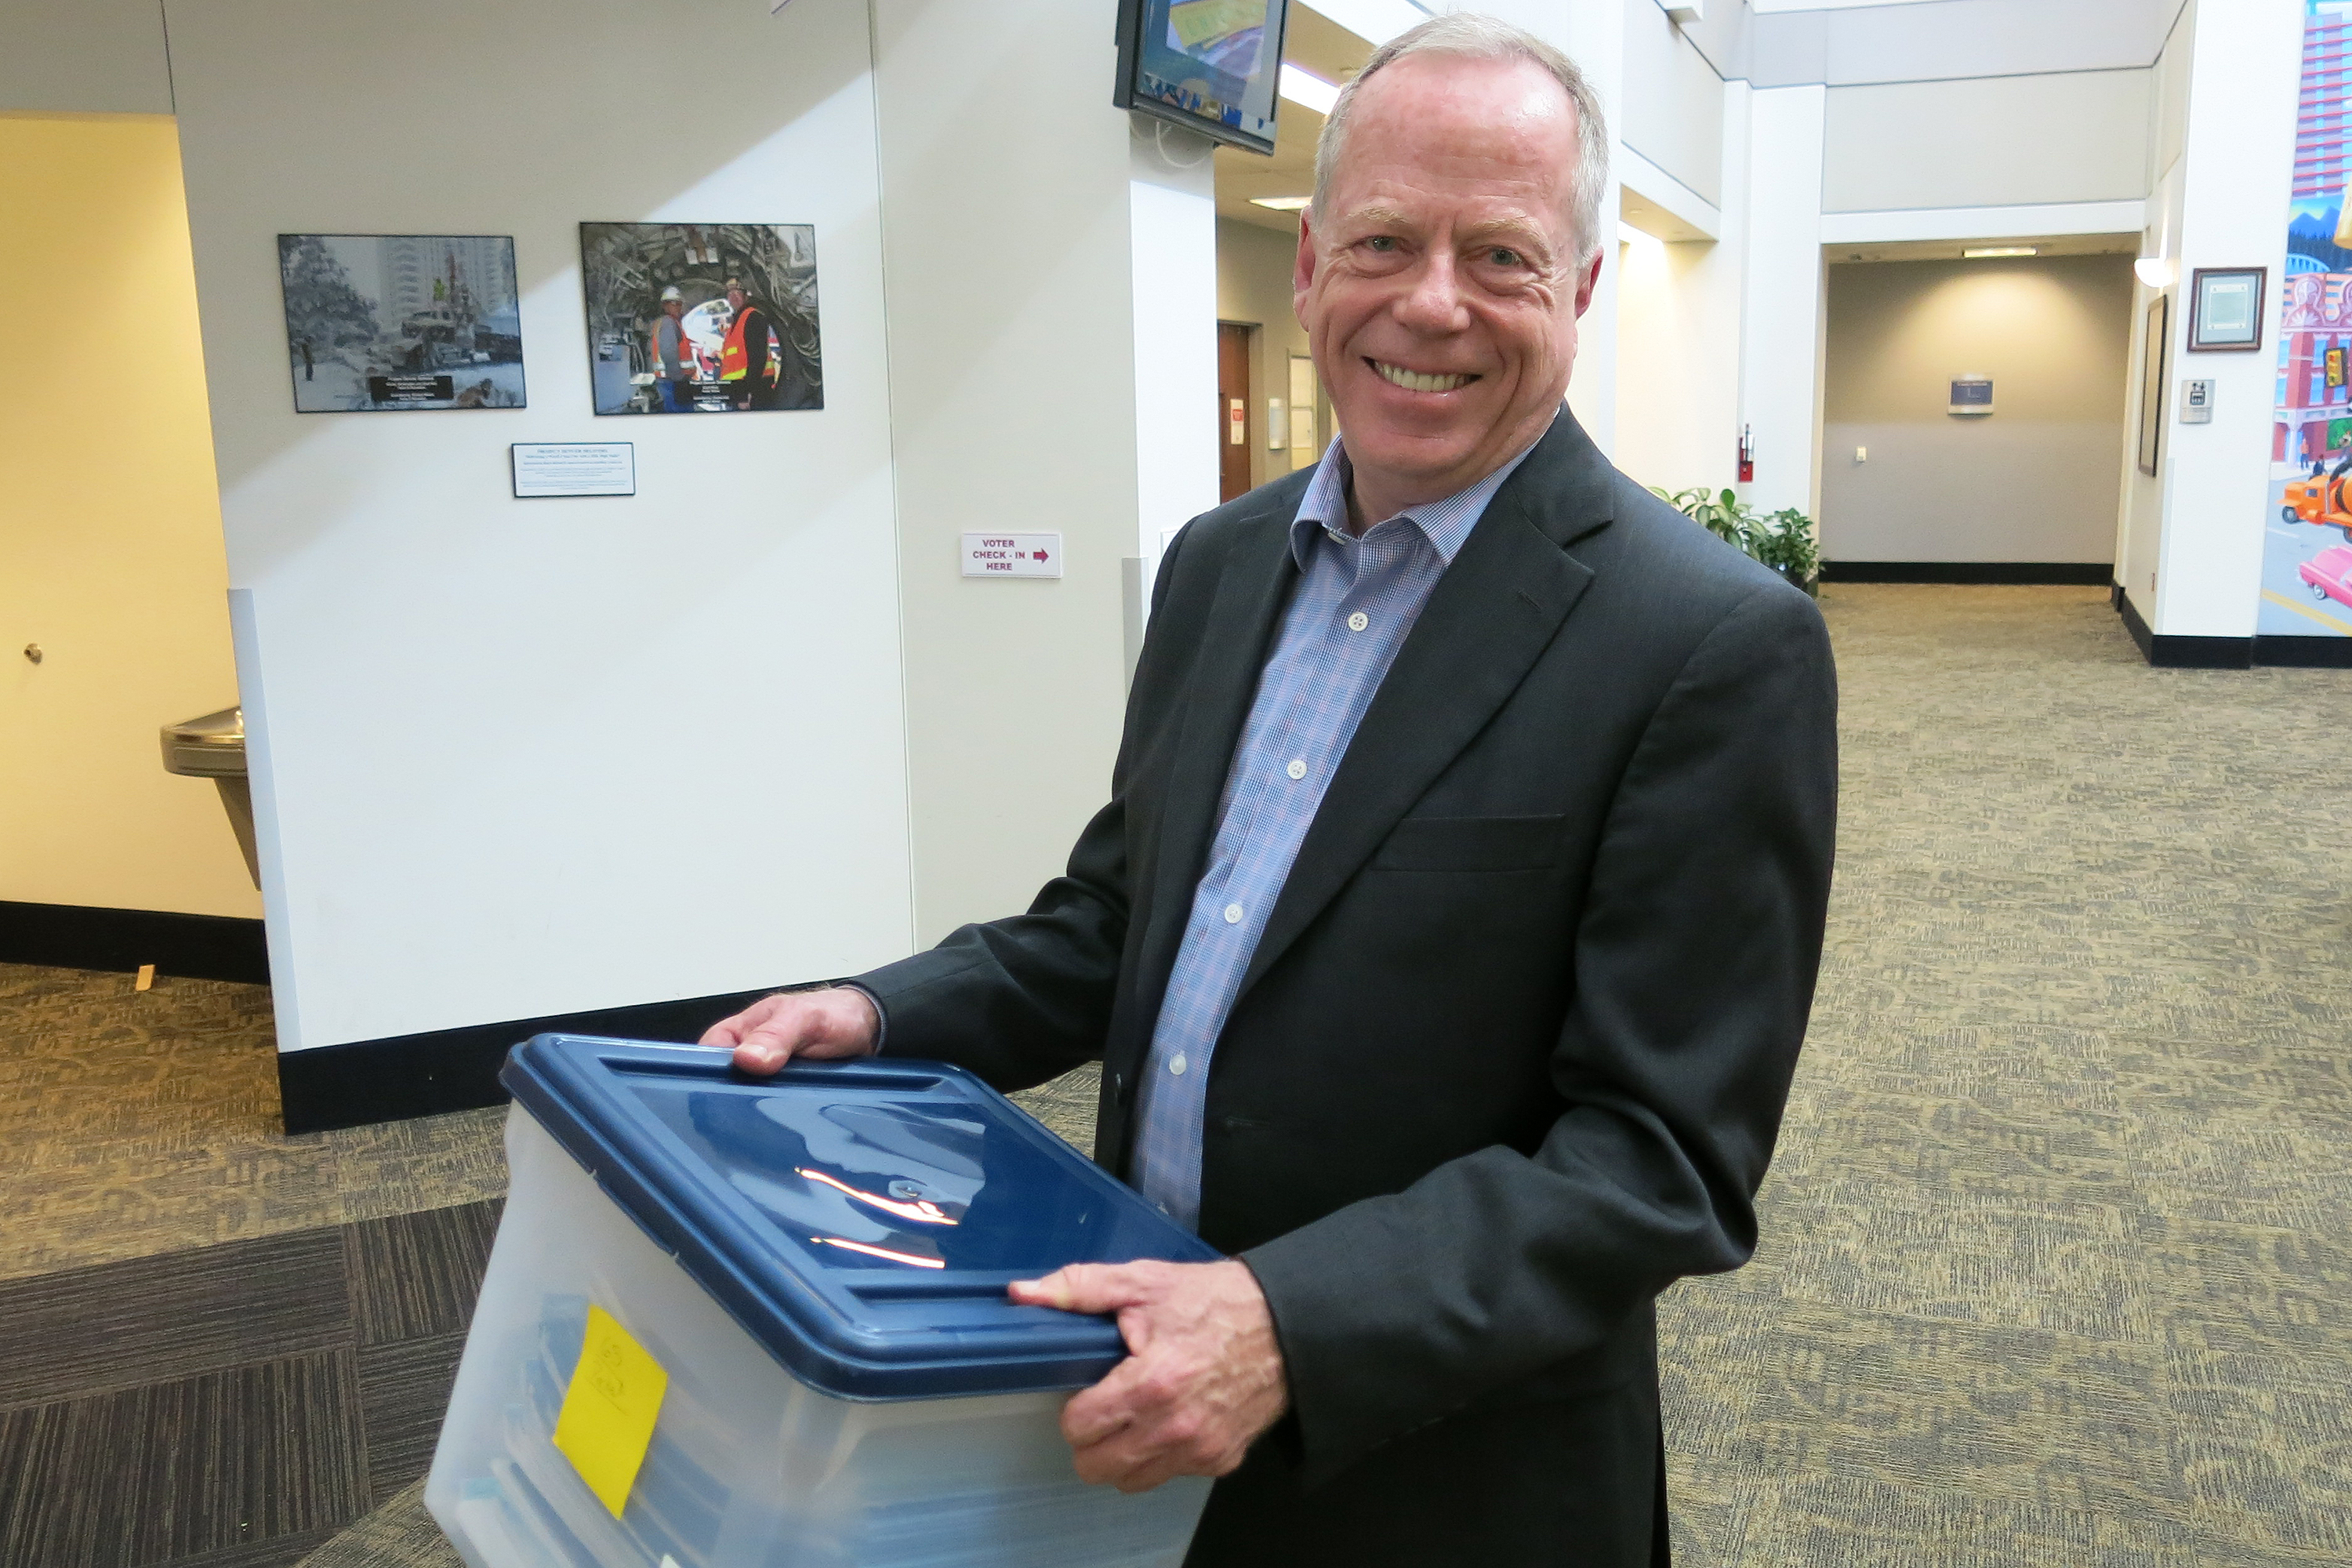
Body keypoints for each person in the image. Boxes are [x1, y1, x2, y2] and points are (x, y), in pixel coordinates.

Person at [702, 16, 1836, 1566]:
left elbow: (1661, 1159)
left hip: (1443, 1468)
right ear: (1309, 267)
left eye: (1499, 256)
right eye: (1382, 239)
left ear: (1578, 291)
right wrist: (884, 1014)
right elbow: (1121, 924)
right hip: (1128, 1392)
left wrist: (1287, 1325)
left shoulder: (1707, 643)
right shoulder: (1221, 565)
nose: (1429, 303)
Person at [717, 276, 778, 411]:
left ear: (746, 296)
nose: (734, 297)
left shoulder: (753, 317)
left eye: (737, 293)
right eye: (730, 294)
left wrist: (748, 393)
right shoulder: (736, 321)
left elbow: (758, 357)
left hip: (753, 393)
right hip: (739, 390)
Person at [649, 285, 697, 412]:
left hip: (670, 380)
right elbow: (668, 352)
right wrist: (679, 379)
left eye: (679, 304)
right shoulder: (668, 323)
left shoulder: (670, 322)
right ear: (665, 306)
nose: (677, 307)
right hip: (673, 381)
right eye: (673, 304)